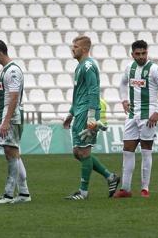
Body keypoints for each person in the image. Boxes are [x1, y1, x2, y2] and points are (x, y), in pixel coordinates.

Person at [62, 35, 120, 200]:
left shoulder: (88, 66)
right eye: (72, 46)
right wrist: (70, 114)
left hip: (87, 113)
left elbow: (93, 90)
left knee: (84, 152)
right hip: (79, 112)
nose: (72, 49)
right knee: (77, 152)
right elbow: (78, 94)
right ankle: (110, 177)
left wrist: (91, 118)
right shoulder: (80, 67)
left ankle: (83, 192)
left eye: (76, 46)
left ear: (85, 49)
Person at [114, 40, 158, 199]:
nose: (141, 57)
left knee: (146, 152)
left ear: (147, 52)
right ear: (132, 54)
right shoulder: (129, 68)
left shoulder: (154, 69)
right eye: (138, 54)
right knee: (127, 151)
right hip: (132, 115)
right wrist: (124, 100)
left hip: (148, 116)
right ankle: (126, 189)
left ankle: (144, 188)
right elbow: (122, 84)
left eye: (144, 53)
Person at [0, 40, 31, 204]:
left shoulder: (12, 71)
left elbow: (13, 98)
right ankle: (24, 193)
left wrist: (5, 121)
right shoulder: (6, 70)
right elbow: (5, 98)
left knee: (10, 152)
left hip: (12, 115)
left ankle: (8, 194)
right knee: (13, 152)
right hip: (7, 114)